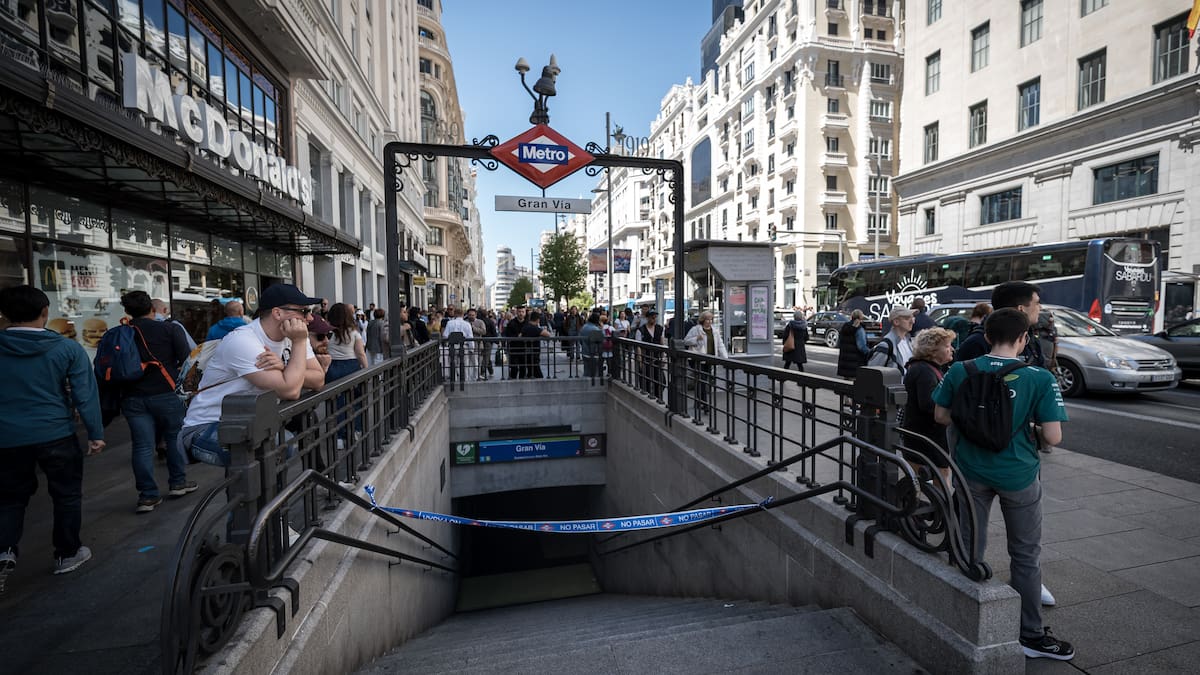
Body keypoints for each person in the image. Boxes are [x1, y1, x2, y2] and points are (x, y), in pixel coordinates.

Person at [932, 308, 1073, 662]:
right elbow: (1053, 437)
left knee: (968, 546)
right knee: (1025, 555)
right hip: (1018, 475)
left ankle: (963, 618)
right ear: (1024, 338)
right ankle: (1031, 635)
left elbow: (941, 415)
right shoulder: (1039, 378)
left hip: (970, 472)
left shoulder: (960, 370)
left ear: (987, 335)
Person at [0, 285, 105, 588]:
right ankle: (67, 553)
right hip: (55, 432)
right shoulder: (67, 348)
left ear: (5, 315)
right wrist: (95, 433)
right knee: (66, 495)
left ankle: (5, 550)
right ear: (45, 313)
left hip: (6, 438)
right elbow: (86, 395)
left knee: (9, 500)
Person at [178, 284, 325, 467]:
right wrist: (299, 343)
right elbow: (291, 390)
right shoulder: (243, 340)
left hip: (253, 420)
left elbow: (319, 379)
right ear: (278, 313)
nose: (310, 318)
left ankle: (312, 485)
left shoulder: (294, 337)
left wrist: (284, 366)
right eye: (303, 311)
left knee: (301, 423)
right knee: (276, 445)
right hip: (208, 425)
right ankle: (259, 496)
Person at [117, 291, 197, 514]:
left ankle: (147, 496)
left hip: (132, 396)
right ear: (153, 309)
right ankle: (178, 483)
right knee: (173, 437)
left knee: (142, 446)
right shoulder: (168, 328)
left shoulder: (121, 332)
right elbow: (187, 358)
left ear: (127, 311)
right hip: (166, 392)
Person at [901, 327, 957, 484]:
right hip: (927, 438)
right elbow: (929, 404)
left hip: (925, 437)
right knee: (939, 476)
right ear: (932, 350)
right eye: (947, 346)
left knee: (927, 478)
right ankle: (940, 508)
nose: (951, 349)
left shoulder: (923, 368)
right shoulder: (924, 370)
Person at [957, 282, 1045, 366]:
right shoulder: (976, 344)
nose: (1040, 307)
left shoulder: (1031, 340)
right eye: (1037, 303)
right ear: (1021, 309)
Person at [684, 310, 728, 409]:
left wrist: (725, 358)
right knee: (701, 380)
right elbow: (686, 341)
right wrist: (696, 339)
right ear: (702, 320)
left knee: (704, 381)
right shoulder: (696, 329)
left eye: (711, 319)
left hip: (710, 359)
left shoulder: (714, 331)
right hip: (698, 359)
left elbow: (720, 345)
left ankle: (699, 402)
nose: (709, 321)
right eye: (707, 319)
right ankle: (704, 403)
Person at [327, 303, 368, 383]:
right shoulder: (353, 332)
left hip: (331, 365)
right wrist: (367, 370)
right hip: (351, 365)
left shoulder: (327, 332)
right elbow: (361, 354)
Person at [869, 307, 916, 375]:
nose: (912, 321)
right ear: (896, 322)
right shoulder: (886, 345)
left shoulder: (909, 342)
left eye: (912, 318)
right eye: (907, 318)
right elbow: (872, 373)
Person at [636, 309, 667, 397]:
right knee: (646, 381)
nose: (654, 319)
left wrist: (663, 357)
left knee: (661, 382)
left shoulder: (660, 328)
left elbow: (662, 343)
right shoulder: (641, 330)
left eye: (655, 317)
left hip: (657, 358)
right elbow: (638, 346)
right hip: (646, 358)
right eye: (652, 317)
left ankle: (658, 397)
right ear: (647, 318)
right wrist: (640, 360)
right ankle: (649, 397)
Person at [442, 307, 475, 381]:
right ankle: (464, 380)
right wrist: (471, 348)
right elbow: (470, 337)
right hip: (464, 346)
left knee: (453, 364)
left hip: (452, 346)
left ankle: (454, 380)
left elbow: (445, 335)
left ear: (455, 314)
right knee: (464, 365)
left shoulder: (450, 323)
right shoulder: (467, 324)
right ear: (463, 315)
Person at [836, 309, 871, 379]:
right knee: (855, 386)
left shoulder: (845, 327)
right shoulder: (859, 329)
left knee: (846, 385)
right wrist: (870, 352)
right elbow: (862, 347)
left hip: (845, 365)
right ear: (861, 318)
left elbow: (839, 342)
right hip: (856, 365)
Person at [520, 311, 552, 378]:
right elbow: (548, 334)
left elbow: (519, 336)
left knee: (530, 372)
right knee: (539, 376)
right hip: (534, 354)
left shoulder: (525, 327)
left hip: (525, 353)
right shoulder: (535, 328)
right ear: (538, 320)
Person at [579, 311, 604, 377]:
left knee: (586, 371)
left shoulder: (584, 326)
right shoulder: (595, 329)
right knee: (594, 373)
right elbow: (602, 338)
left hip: (585, 352)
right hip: (593, 353)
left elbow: (580, 340)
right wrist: (602, 328)